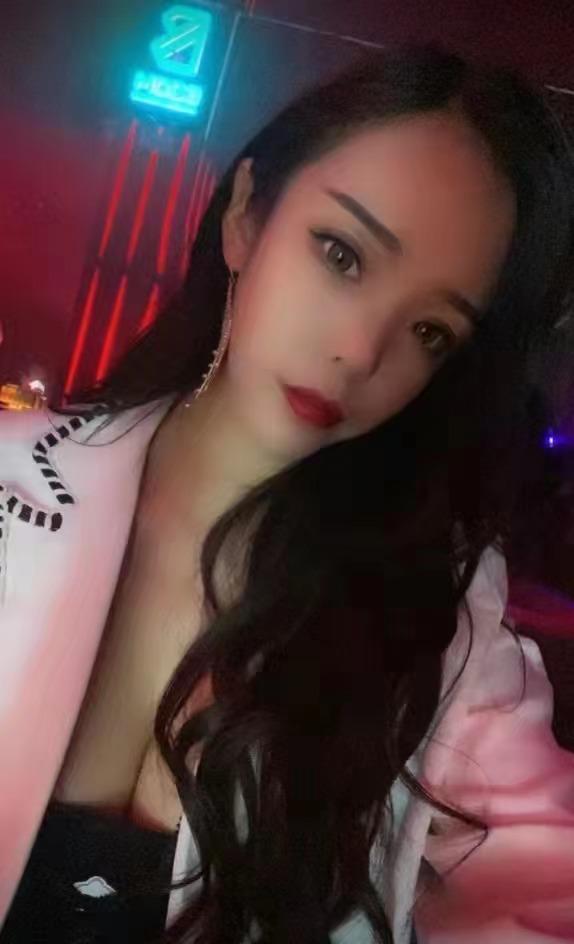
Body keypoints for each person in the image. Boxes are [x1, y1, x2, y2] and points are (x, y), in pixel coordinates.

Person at [1, 42, 574, 944]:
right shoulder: (13, 490)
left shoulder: (433, 619)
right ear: (245, 216)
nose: (360, 350)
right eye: (341, 254)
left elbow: (545, 887)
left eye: (429, 330)